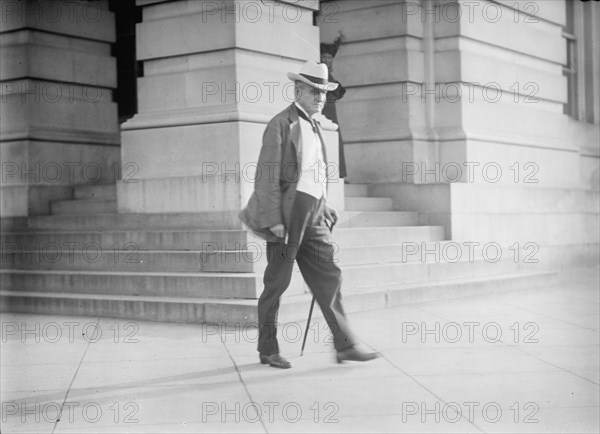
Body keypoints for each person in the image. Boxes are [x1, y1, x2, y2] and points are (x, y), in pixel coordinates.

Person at [239, 60, 381, 369]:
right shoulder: (280, 124)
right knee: (277, 284)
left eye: (322, 93)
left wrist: (324, 205)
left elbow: (312, 174)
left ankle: (344, 347)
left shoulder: (316, 126)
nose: (319, 98)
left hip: (313, 215)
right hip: (286, 218)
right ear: (298, 90)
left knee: (330, 277)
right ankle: (268, 349)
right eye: (313, 91)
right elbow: (266, 177)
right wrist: (274, 220)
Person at [320, 34, 347, 180]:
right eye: (323, 57)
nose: (326, 60)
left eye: (329, 57)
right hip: (323, 111)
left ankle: (340, 174)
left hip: (331, 112)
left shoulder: (330, 75)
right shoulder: (321, 74)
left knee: (336, 140)